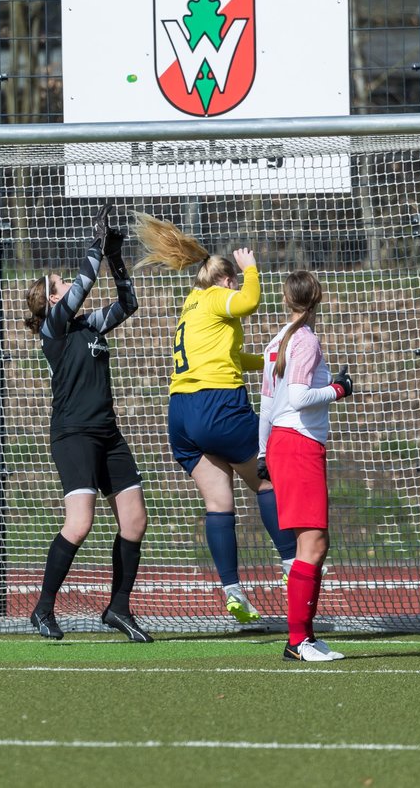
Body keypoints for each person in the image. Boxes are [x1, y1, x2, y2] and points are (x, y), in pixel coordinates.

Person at [133, 213, 297, 624]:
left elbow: (230, 356)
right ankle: (293, 565)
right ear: (225, 281)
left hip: (181, 415)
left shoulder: (192, 306)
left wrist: (269, 362)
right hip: (216, 406)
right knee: (266, 479)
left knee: (219, 500)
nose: (236, 288)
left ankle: (232, 590)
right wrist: (251, 270)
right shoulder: (217, 296)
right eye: (234, 281)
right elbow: (250, 301)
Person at [22, 204, 152, 643]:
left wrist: (114, 257)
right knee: (79, 524)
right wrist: (95, 246)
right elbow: (83, 284)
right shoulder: (54, 329)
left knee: (134, 521)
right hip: (73, 435)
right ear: (53, 299)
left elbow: (128, 303)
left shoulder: (88, 327)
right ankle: (42, 609)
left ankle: (118, 608)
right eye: (60, 284)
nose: (66, 283)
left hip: (107, 433)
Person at [258, 270, 353, 662]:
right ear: (318, 297)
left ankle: (304, 637)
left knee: (308, 544)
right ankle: (298, 640)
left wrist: (263, 451)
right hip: (297, 444)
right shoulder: (305, 339)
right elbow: (297, 397)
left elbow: (266, 402)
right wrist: (338, 389)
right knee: (313, 544)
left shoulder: (278, 340)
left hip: (283, 443)